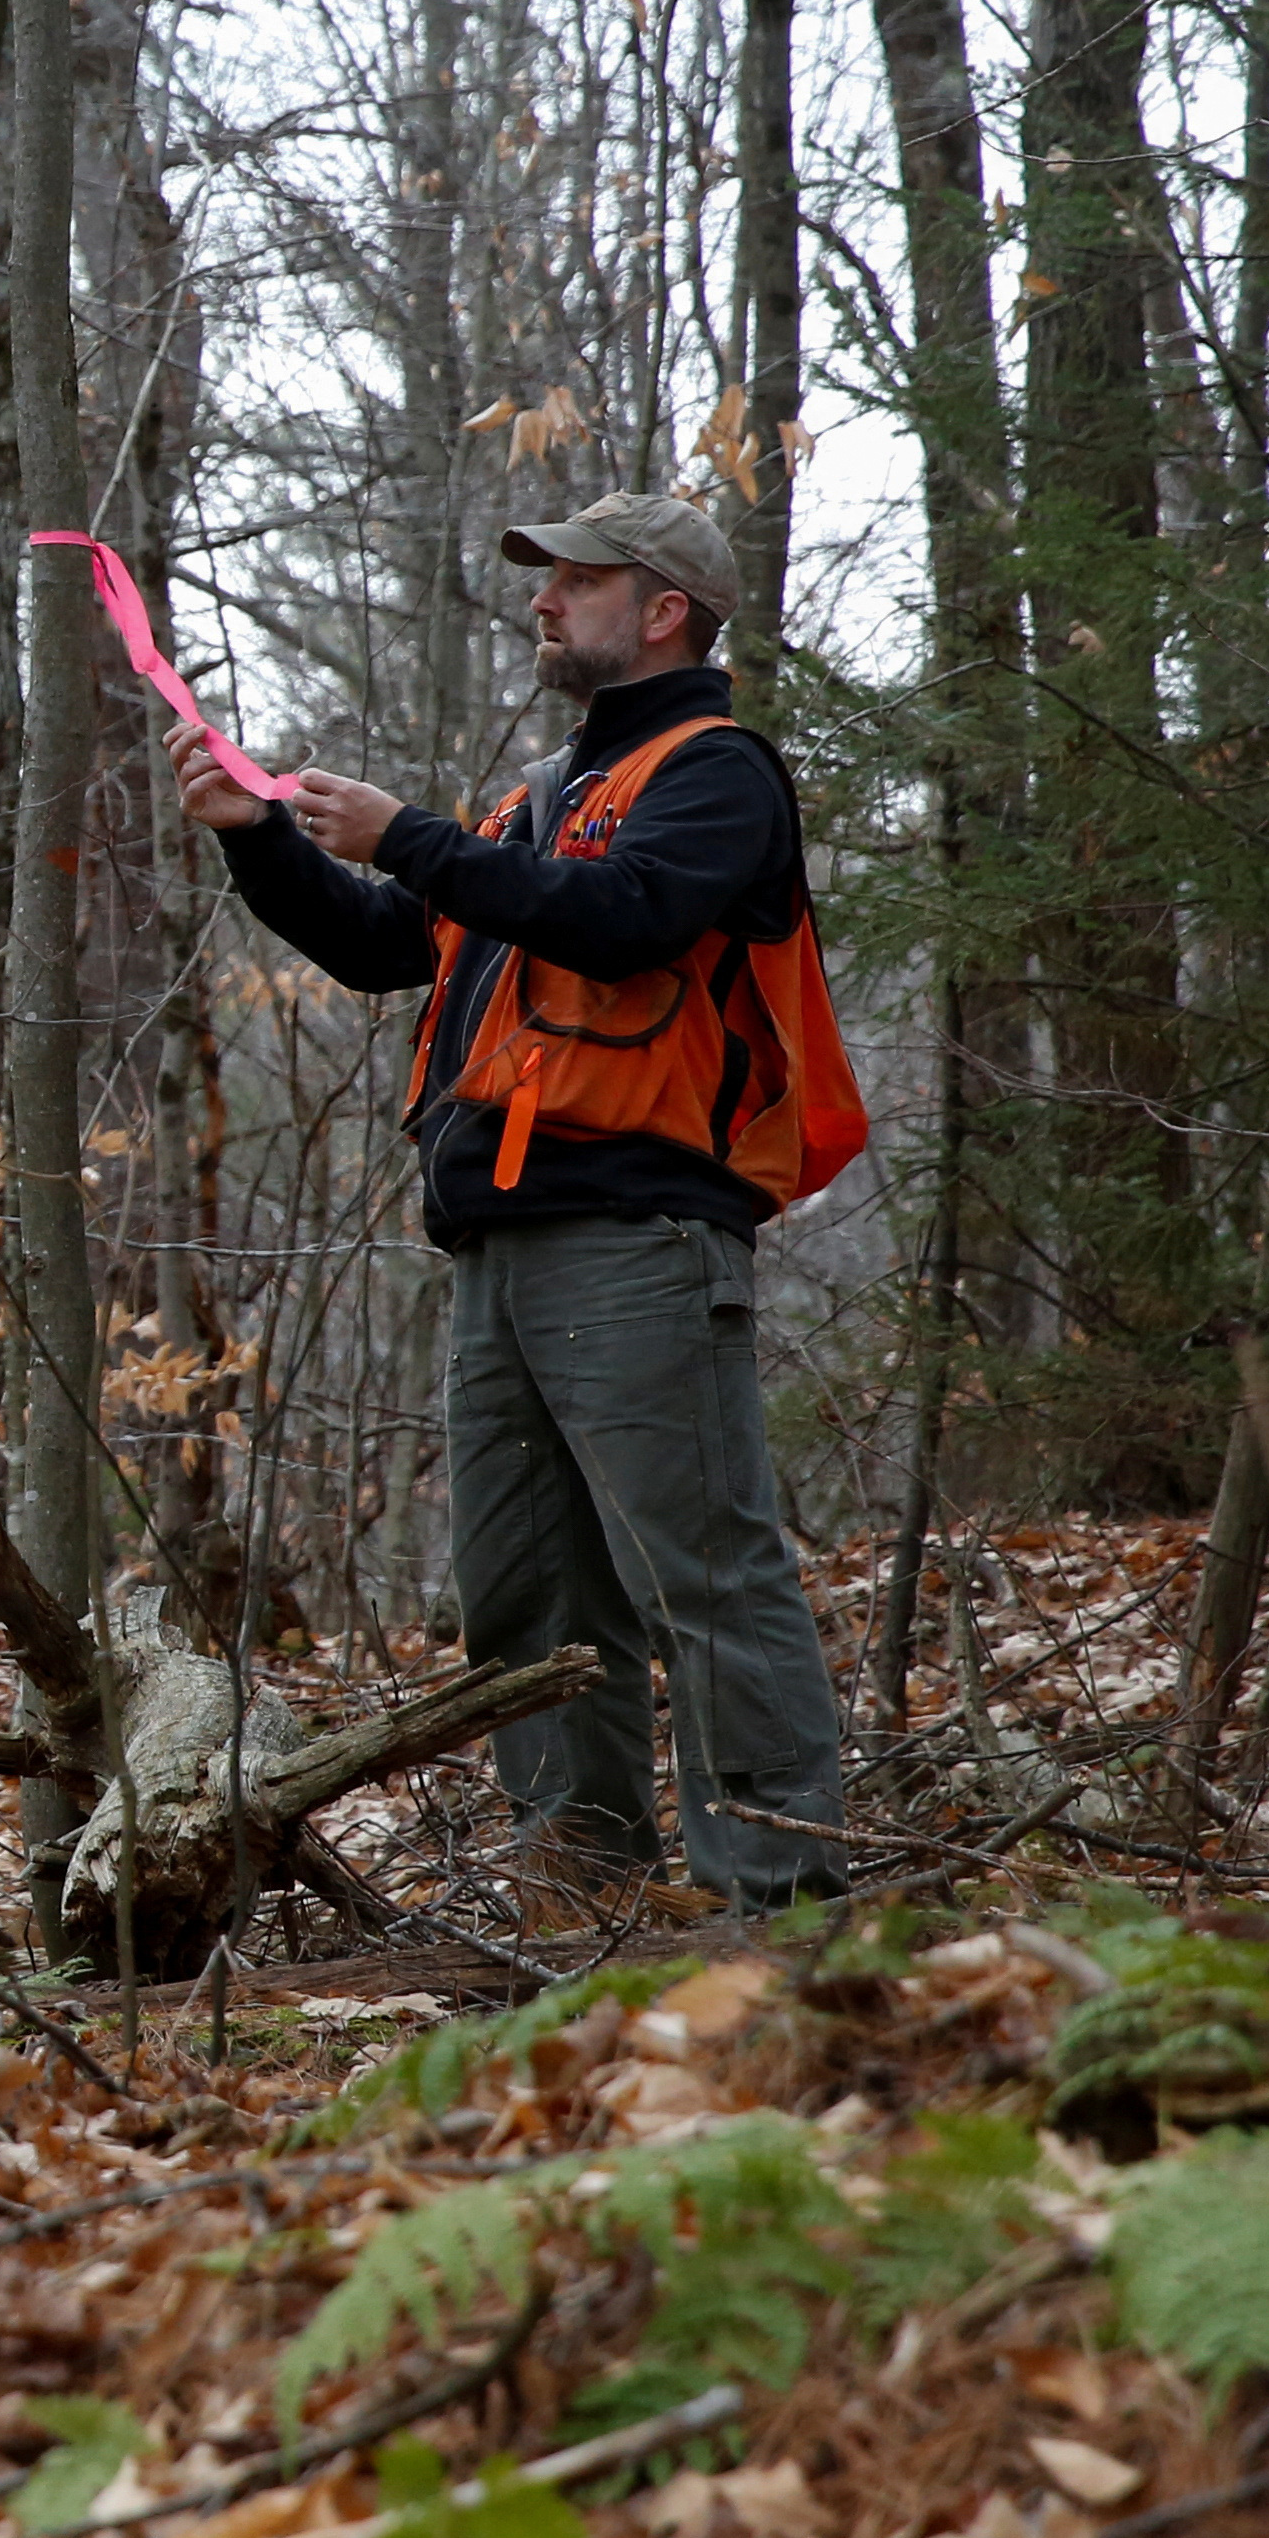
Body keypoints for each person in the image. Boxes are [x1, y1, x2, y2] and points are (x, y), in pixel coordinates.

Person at [174, 490, 868, 1917]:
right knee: (528, 1603)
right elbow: (387, 948)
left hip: (639, 1240)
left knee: (707, 1578)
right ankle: (579, 1885)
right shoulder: (534, 797)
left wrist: (407, 835)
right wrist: (260, 837)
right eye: (544, 581)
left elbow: (623, 921)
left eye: (575, 582)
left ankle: (783, 1906)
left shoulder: (718, 772)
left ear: (662, 609)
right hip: (497, 1247)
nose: (544, 602)